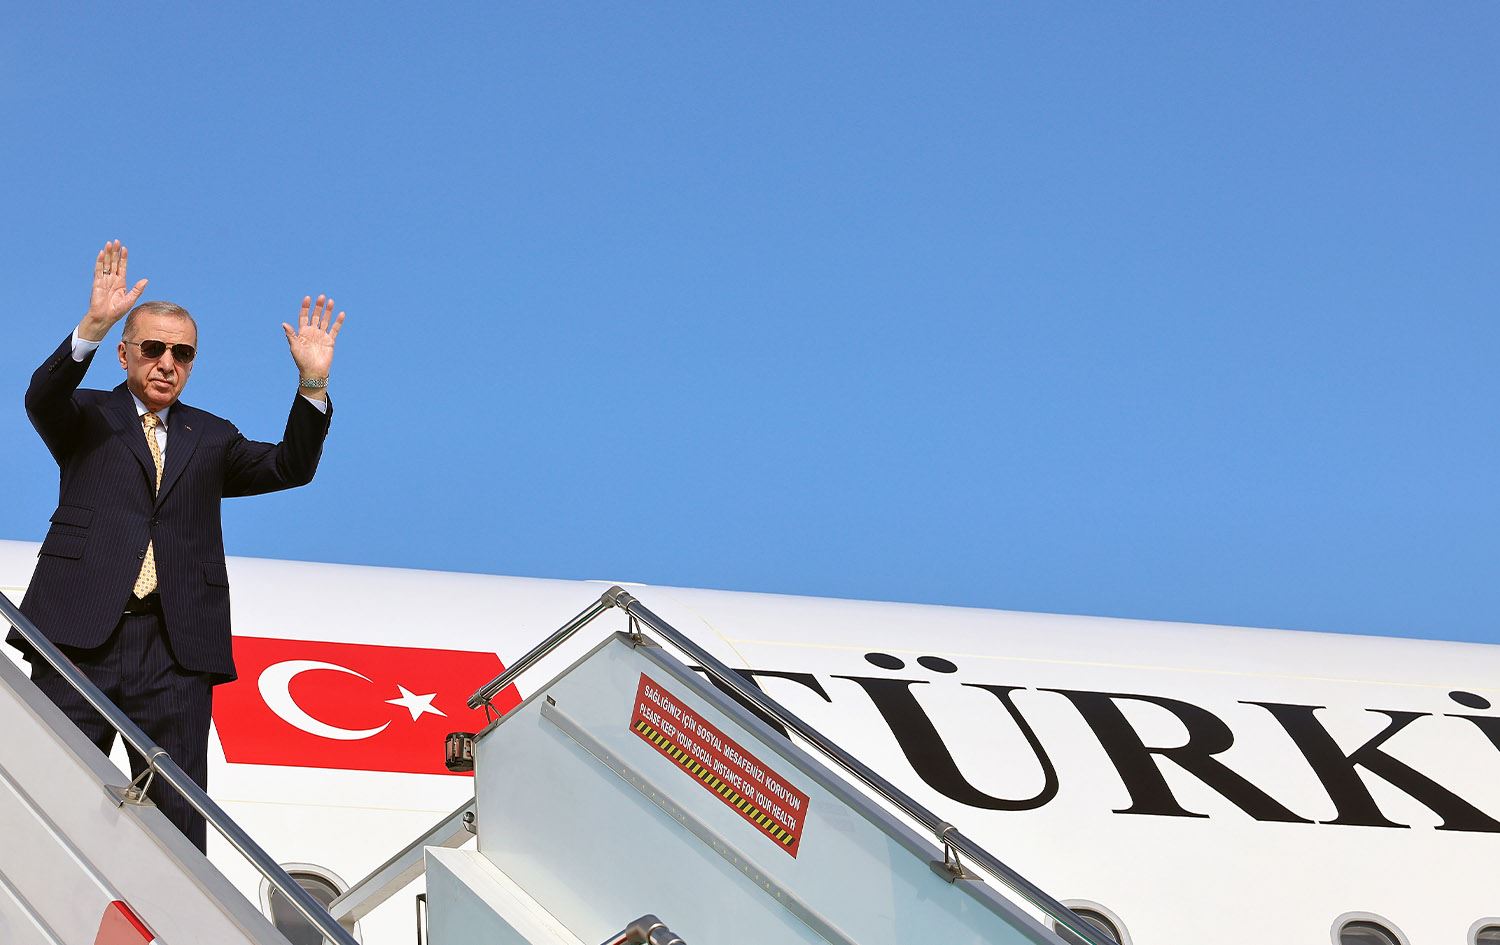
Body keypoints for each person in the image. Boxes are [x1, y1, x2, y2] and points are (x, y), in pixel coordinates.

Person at [8, 239, 346, 851]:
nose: (167, 362)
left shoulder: (211, 436)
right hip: (78, 636)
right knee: (50, 800)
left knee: (178, 820)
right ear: (124, 354)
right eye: (153, 348)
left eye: (182, 353)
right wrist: (92, 324)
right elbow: (41, 397)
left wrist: (312, 381)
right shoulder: (85, 415)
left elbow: (290, 466)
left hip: (175, 648)